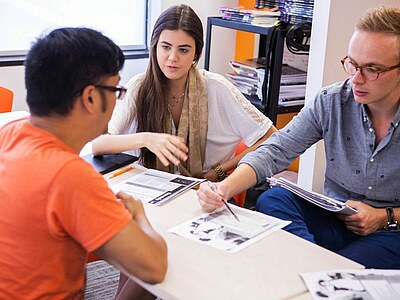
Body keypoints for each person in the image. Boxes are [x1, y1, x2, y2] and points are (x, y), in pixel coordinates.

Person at [197, 5, 400, 269]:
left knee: (347, 265)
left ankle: (314, 268)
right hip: (336, 220)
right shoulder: (332, 101)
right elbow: (276, 149)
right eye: (352, 64)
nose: (355, 79)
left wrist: (384, 218)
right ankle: (317, 269)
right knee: (273, 198)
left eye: (372, 69)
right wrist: (224, 187)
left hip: (391, 232)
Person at [0, 27, 167, 299]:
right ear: (90, 98)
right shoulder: (69, 176)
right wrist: (140, 217)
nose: (117, 99)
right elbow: (154, 268)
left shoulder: (10, 132)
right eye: (116, 90)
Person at [92, 4, 277, 182]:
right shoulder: (139, 86)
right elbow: (99, 144)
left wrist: (218, 172)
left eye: (183, 50)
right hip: (147, 190)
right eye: (165, 47)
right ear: (154, 46)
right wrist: (146, 139)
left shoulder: (216, 87)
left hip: (206, 191)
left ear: (196, 53)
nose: (173, 58)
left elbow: (270, 137)